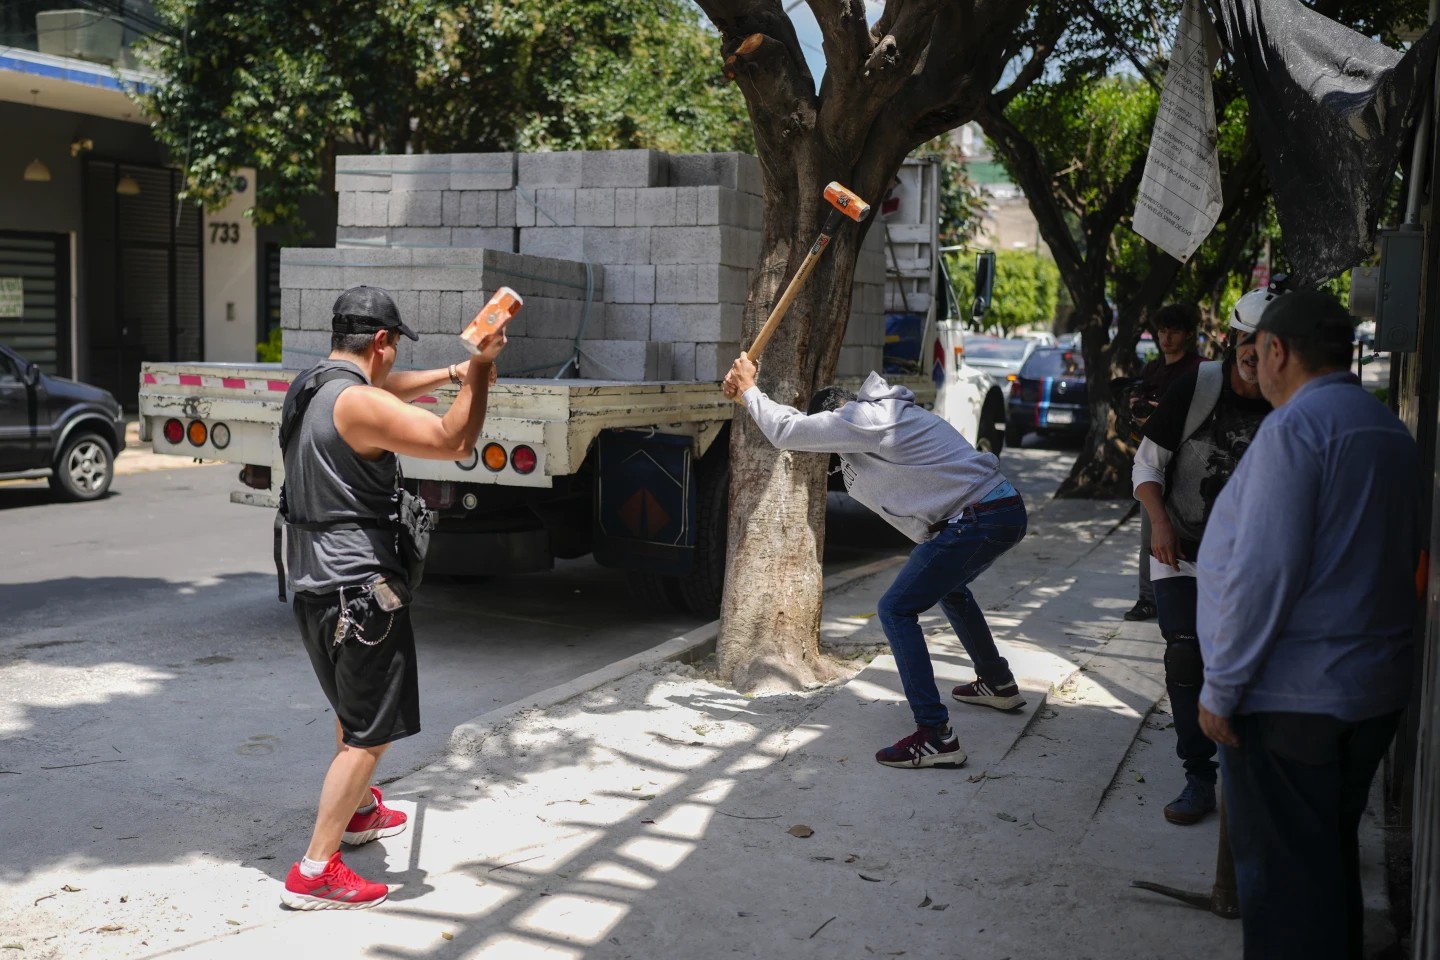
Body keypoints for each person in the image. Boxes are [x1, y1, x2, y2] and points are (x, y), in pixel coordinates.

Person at [1196, 289, 1420, 959]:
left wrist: (1220, 690)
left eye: (1255, 351)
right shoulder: (1387, 429)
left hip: (1292, 703)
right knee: (1322, 867)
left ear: (1276, 351)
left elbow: (1263, 574)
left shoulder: (1295, 431)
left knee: (1284, 891)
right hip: (1367, 693)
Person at [279, 286, 507, 910]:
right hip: (360, 591)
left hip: (312, 585)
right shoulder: (357, 405)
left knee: (353, 708)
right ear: (381, 341)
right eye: (394, 349)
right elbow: (455, 441)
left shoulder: (312, 387)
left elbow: (385, 393)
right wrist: (481, 369)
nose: (394, 362)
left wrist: (451, 369)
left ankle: (356, 816)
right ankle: (315, 871)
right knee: (369, 736)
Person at [722, 353, 1026, 770]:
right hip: (997, 510)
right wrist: (744, 401)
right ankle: (998, 681)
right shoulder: (887, 419)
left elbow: (787, 430)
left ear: (835, 420)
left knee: (895, 609)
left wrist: (750, 388)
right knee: (951, 590)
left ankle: (936, 736)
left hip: (979, 518)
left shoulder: (862, 419)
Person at [1131, 289, 1273, 825]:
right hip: (1182, 551)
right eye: (1246, 343)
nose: (1255, 356)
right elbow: (1147, 467)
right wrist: (1160, 522)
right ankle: (1198, 774)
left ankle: (1249, 777)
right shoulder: (1199, 386)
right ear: (1231, 340)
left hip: (1251, 565)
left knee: (1245, 667)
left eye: (1267, 344)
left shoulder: (1291, 400)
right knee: (1185, 656)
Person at [1124, 303, 1206, 622]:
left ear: (1188, 334)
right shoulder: (1153, 369)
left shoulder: (1201, 371)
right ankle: (1149, 598)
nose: (1166, 337)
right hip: (1155, 463)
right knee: (1150, 533)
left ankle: (1190, 593)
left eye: (1173, 331)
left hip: (1192, 466)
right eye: (1161, 330)